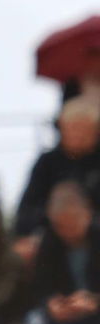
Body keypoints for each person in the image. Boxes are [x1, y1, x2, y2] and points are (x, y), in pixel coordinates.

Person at [29, 182, 100, 324]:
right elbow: (39, 286)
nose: (68, 232)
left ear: (87, 215)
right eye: (61, 226)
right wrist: (50, 303)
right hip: (64, 315)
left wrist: (94, 301)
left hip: (95, 311)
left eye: (73, 224)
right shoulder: (49, 241)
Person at [14, 96, 100, 248]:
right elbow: (27, 210)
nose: (78, 135)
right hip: (51, 239)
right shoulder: (47, 163)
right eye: (73, 128)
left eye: (84, 129)